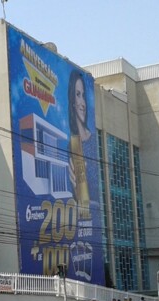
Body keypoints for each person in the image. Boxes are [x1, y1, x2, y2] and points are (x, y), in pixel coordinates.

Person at [67, 69, 92, 221]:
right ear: (72, 101)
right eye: (77, 95)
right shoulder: (70, 146)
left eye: (83, 95)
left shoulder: (93, 141)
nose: (82, 102)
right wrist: (76, 193)